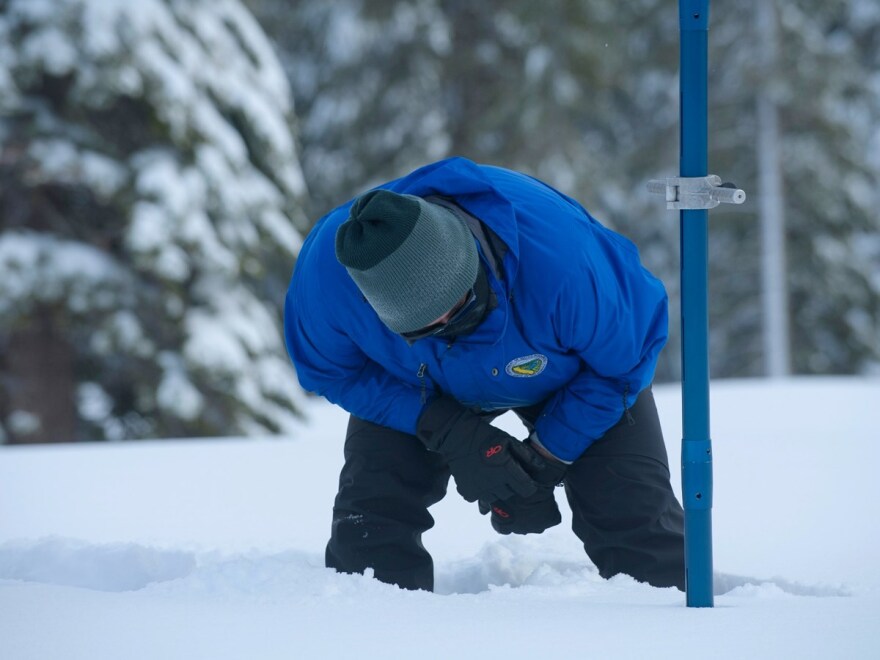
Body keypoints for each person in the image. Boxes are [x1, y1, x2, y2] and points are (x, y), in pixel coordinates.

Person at [283, 157, 685, 592]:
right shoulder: (328, 280)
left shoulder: (566, 265)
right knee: (371, 520)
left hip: (571, 377)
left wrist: (546, 458)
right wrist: (444, 427)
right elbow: (333, 374)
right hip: (417, 385)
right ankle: (374, 636)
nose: (447, 325)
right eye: (425, 326)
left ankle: (671, 629)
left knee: (633, 514)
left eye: (459, 306)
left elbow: (626, 363)